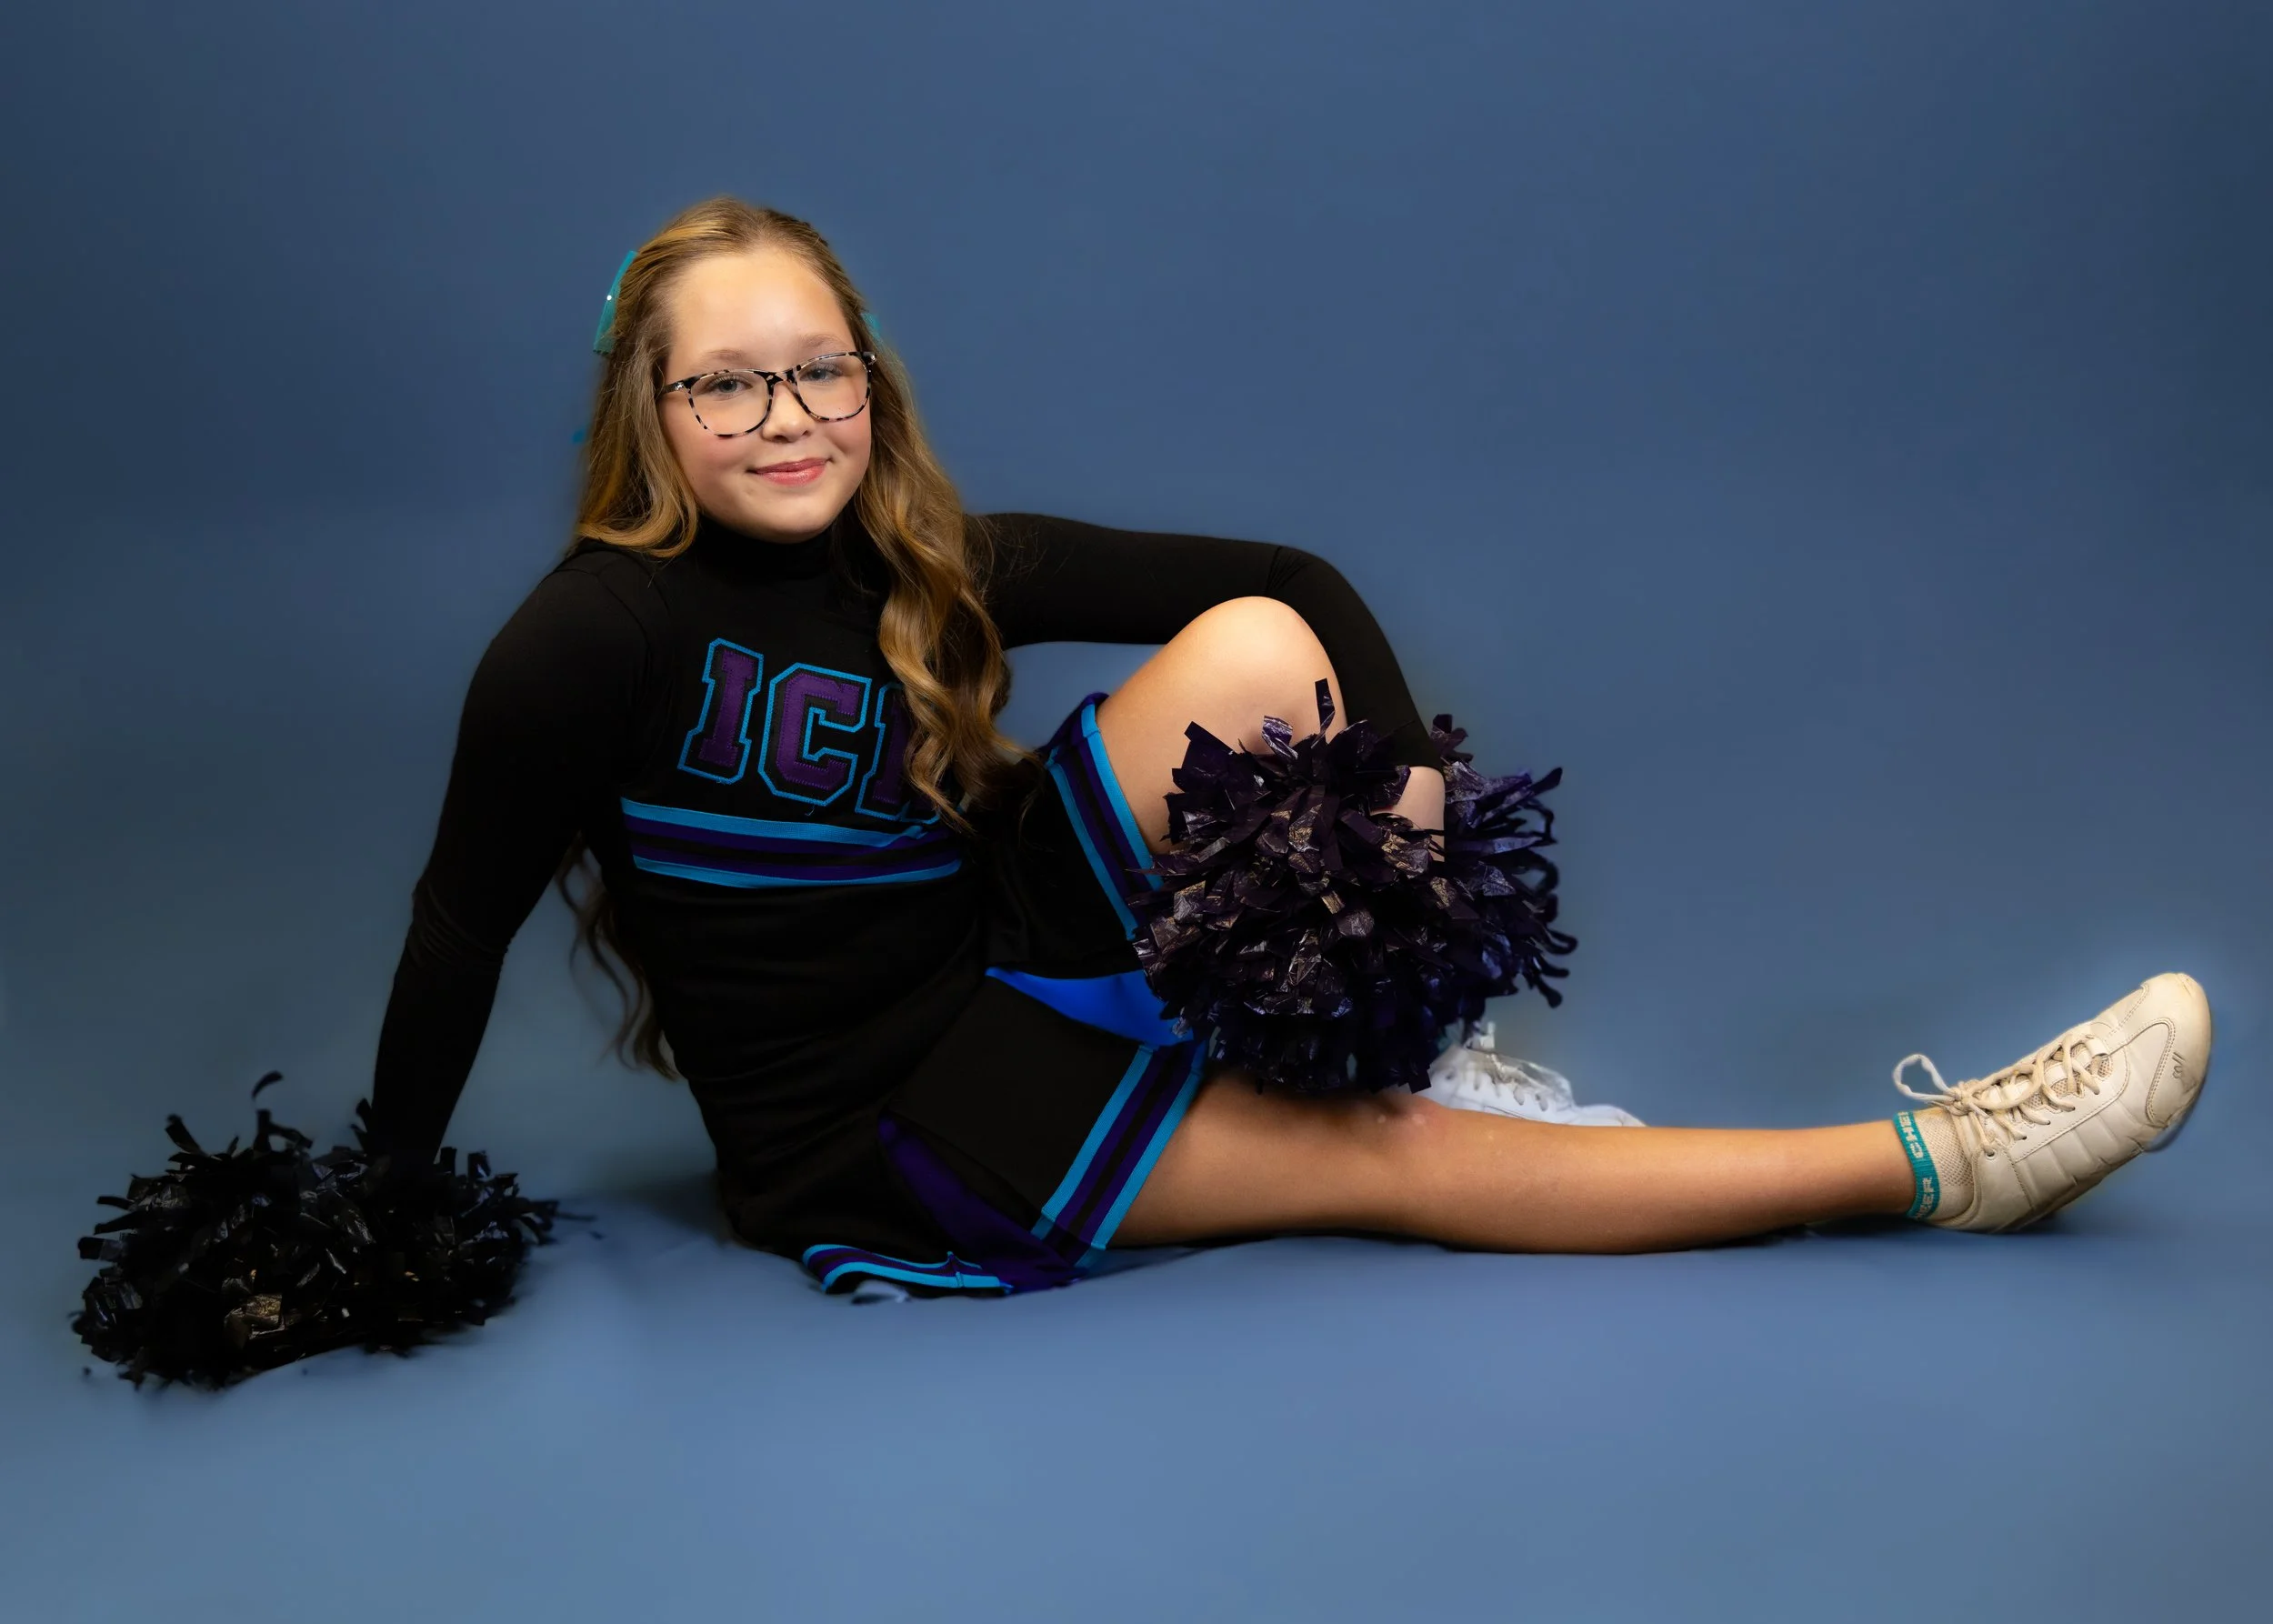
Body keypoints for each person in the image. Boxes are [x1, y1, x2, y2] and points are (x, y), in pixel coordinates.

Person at [365, 195, 2214, 1298]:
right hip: (878, 1108)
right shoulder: (584, 633)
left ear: (869, 375)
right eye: (727, 381)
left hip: (991, 951)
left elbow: (1286, 578)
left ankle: (1397, 1033)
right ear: (654, 409)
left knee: (1254, 647)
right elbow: (458, 924)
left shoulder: (922, 559)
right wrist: (376, 1210)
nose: (786, 414)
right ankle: (1938, 1156)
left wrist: (1405, 802)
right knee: (1384, 1160)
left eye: (819, 365)